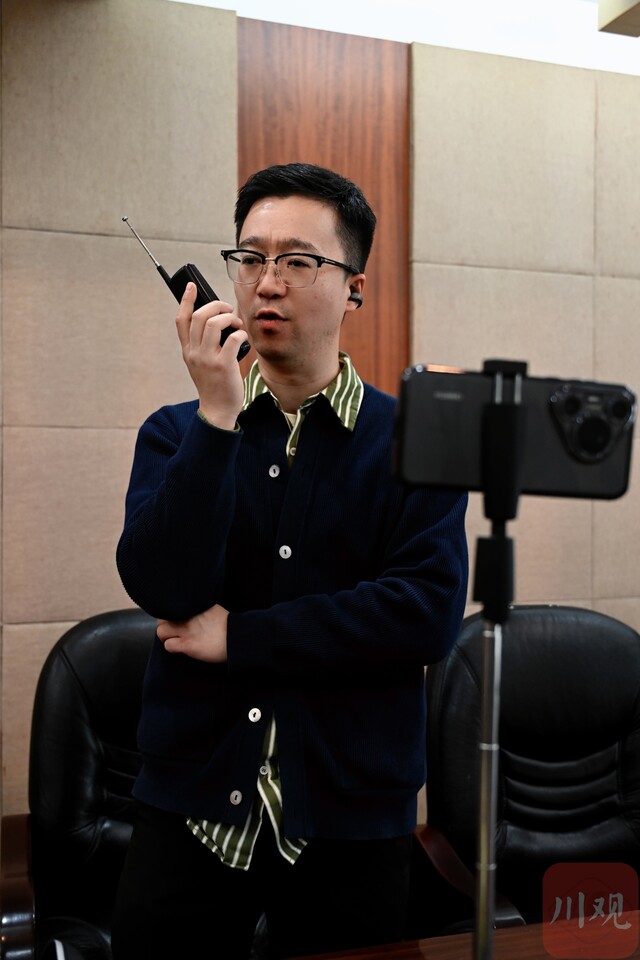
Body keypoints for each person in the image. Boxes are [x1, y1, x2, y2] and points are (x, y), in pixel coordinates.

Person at [112, 162, 468, 960]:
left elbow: (423, 614)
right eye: (250, 258)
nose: (266, 282)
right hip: (191, 807)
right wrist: (216, 415)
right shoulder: (175, 432)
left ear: (353, 288)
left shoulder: (418, 444)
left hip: (351, 818)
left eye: (298, 261)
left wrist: (242, 638)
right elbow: (164, 586)